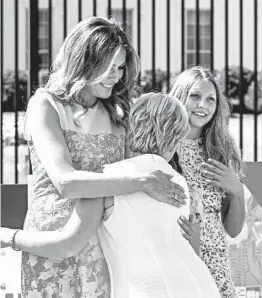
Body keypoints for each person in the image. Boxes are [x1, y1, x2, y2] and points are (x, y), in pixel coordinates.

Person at [6, 17, 186, 298]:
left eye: (120, 67)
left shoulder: (119, 113)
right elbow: (66, 181)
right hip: (52, 244)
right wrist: (141, 181)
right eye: (108, 67)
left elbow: (152, 158)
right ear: (84, 61)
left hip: (106, 247)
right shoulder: (47, 104)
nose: (115, 76)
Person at [1, 93, 221, 298]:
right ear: (176, 138)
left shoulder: (108, 181)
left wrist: (8, 237)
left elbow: (66, 245)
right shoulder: (178, 182)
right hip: (198, 286)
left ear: (131, 128)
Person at [169, 66, 246, 298]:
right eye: (195, 96)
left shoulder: (221, 149)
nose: (203, 105)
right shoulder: (163, 146)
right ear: (180, 96)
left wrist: (236, 191)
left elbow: (233, 229)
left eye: (210, 99)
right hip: (176, 259)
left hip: (215, 265)